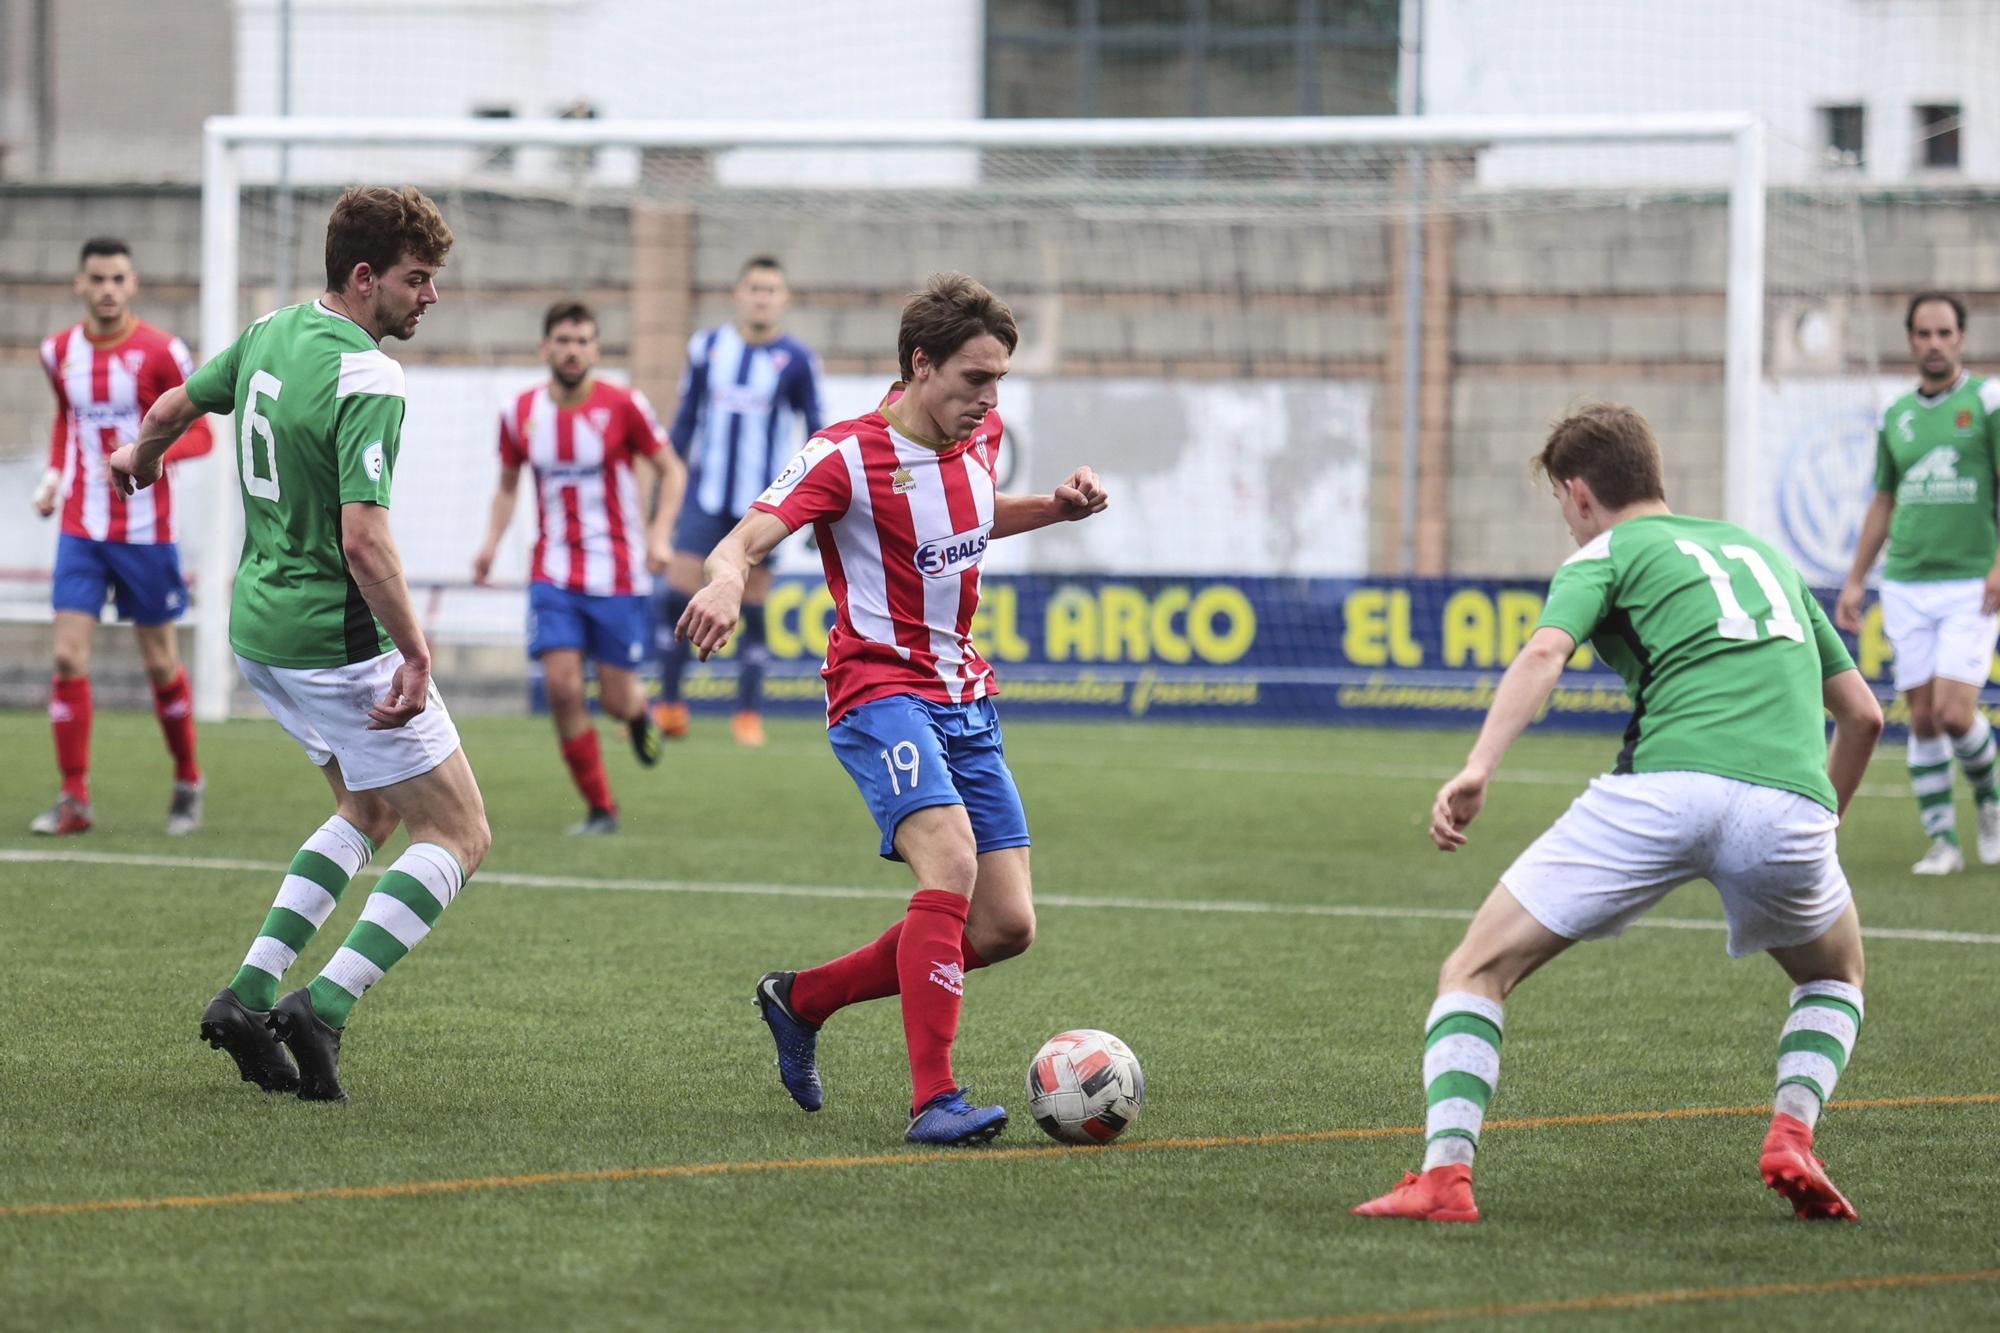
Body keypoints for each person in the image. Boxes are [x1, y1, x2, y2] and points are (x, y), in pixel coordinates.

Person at [1352, 403, 1882, 1224]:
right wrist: (1817, 826)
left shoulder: (1607, 551)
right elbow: (1864, 716)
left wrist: (1478, 766)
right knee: (1834, 974)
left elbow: (1543, 653)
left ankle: (1444, 1178)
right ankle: (1792, 1134)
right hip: (1790, 803)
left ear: (1577, 493)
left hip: (1662, 790)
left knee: (1475, 969)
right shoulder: (1762, 554)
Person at [677, 273, 1109, 1146]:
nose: (989, 401)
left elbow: (969, 520)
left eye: (998, 382)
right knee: (948, 862)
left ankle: (802, 999)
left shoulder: (976, 440)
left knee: (1006, 924)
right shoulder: (845, 453)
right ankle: (934, 1099)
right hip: (878, 690)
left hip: (965, 697)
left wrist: (1052, 511)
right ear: (921, 365)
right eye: (974, 380)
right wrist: (725, 585)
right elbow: (744, 538)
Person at [110, 186, 491, 1103]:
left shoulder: (274, 330)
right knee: (460, 830)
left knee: (370, 809)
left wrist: (141, 458)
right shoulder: (369, 376)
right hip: (337, 639)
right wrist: (417, 653)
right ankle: (321, 1006)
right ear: (365, 280)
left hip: (259, 630)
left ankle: (247, 996)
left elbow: (172, 406)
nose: (428, 297)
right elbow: (364, 540)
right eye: (417, 279)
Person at [472, 301, 684, 834]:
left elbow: (671, 470)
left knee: (613, 698)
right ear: (546, 347)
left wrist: (659, 534)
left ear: (595, 349)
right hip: (552, 574)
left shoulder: (623, 405)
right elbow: (506, 483)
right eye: (563, 340)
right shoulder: (520, 412)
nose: (572, 350)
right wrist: (489, 545)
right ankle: (600, 809)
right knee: (563, 689)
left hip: (617, 574)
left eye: (583, 341)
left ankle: (636, 713)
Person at [31, 237, 214, 837]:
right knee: (65, 655)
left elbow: (204, 434)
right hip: (81, 529)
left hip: (145, 532)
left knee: (161, 664)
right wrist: (54, 477)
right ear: (80, 285)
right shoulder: (57, 352)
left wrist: (147, 455)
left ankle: (188, 777)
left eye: (118, 279)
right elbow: (67, 418)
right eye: (97, 279)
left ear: (132, 285)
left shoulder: (163, 351)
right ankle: (74, 797)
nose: (107, 289)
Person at [1836, 291, 2000, 875]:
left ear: (1961, 339)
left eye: (1944, 333)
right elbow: (1885, 498)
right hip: (1906, 582)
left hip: (1968, 584)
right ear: (1910, 340)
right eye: (1923, 334)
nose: (1934, 343)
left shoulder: (1987, 401)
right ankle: (1942, 843)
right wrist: (1856, 579)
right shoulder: (1896, 415)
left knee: (1957, 713)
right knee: (1923, 716)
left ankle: (1991, 801)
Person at [653, 255, 823, 747]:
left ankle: (747, 715)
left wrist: (814, 507)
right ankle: (669, 705)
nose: (762, 297)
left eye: (772, 290)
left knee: (751, 610)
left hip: (765, 504)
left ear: (783, 300)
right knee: (677, 597)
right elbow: (685, 422)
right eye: (755, 288)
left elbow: (817, 431)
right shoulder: (707, 347)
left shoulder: (795, 359)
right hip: (705, 499)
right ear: (739, 294)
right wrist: (658, 501)